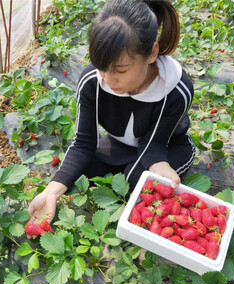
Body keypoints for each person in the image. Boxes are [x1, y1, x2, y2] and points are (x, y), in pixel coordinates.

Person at [28, 0, 195, 226]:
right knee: (79, 170)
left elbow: (153, 144)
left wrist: (158, 164)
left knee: (137, 180)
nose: (108, 79)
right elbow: (83, 142)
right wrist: (52, 191)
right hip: (120, 144)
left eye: (120, 70)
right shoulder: (92, 81)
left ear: (152, 53)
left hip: (166, 144)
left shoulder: (174, 88)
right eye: (102, 67)